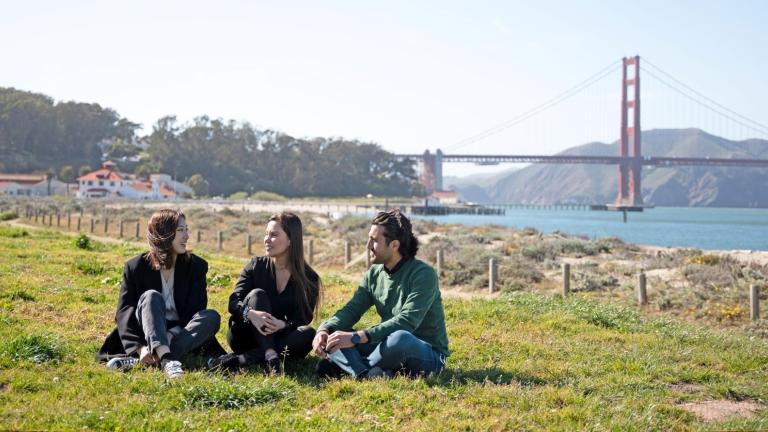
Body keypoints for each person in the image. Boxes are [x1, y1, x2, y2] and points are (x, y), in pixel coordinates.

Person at [312, 209, 449, 379]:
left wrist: (356, 338)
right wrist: (325, 329)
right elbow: (352, 310)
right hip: (385, 346)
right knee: (337, 335)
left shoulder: (423, 274)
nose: (368, 246)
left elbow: (406, 322)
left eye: (374, 240)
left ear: (394, 245)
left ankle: (349, 366)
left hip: (427, 354)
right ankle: (366, 374)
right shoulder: (374, 274)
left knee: (400, 338)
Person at [97, 209, 223, 378]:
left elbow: (195, 311)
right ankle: (167, 360)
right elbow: (124, 312)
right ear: (164, 233)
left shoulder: (197, 266)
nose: (186, 236)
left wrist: (171, 334)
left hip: (181, 331)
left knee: (211, 316)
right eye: (180, 230)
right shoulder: (135, 267)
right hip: (146, 331)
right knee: (151, 296)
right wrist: (140, 348)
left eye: (186, 229)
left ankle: (153, 358)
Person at [208, 212, 321, 374]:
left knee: (308, 333)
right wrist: (250, 313)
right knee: (257, 295)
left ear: (291, 240)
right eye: (266, 234)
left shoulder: (310, 278)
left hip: (279, 337)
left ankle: (243, 359)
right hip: (244, 335)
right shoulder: (255, 266)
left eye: (274, 235)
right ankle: (270, 356)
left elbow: (302, 319)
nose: (267, 240)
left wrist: (282, 324)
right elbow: (233, 302)